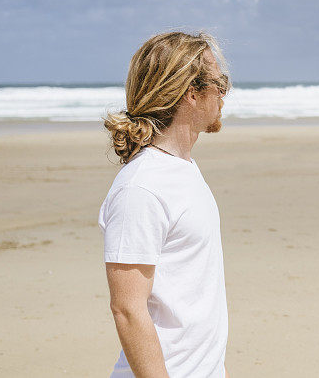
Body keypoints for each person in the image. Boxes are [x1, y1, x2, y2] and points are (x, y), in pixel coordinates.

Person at [98, 31, 233, 377]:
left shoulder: (183, 169)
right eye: (221, 83)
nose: (224, 94)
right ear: (191, 93)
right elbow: (127, 309)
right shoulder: (141, 188)